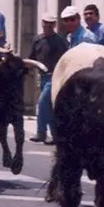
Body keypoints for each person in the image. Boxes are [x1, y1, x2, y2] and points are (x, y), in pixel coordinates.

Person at [27, 14, 69, 145]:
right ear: (42, 23)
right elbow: (32, 57)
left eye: (51, 23)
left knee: (42, 102)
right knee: (49, 106)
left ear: (55, 25)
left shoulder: (60, 41)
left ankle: (41, 132)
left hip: (54, 77)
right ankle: (55, 135)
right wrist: (26, 69)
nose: (48, 26)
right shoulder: (37, 40)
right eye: (46, 23)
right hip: (42, 77)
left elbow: (65, 59)